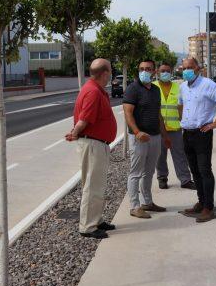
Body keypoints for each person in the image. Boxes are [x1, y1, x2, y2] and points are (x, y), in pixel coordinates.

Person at [65, 58, 118, 239]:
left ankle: (96, 219)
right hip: (93, 144)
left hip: (97, 143)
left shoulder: (95, 90)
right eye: (110, 71)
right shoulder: (93, 92)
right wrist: (75, 132)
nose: (111, 74)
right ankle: (87, 226)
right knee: (92, 185)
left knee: (97, 184)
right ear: (104, 73)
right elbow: (84, 118)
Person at [178, 57, 216, 223]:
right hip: (187, 133)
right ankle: (201, 201)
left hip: (202, 134)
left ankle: (209, 207)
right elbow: (180, 104)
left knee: (204, 170)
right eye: (184, 67)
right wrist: (183, 121)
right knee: (194, 170)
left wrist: (215, 123)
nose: (187, 70)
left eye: (190, 67)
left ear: (198, 68)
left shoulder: (208, 84)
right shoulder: (183, 87)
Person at [123, 60, 171, 219]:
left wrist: (165, 136)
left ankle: (147, 202)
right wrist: (137, 132)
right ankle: (134, 206)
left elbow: (158, 115)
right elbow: (128, 113)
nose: (144, 71)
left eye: (148, 69)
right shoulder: (133, 89)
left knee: (149, 172)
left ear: (154, 72)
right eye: (142, 69)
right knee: (135, 173)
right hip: (139, 138)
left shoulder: (156, 90)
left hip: (155, 136)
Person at [153, 63, 196, 190]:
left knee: (180, 155)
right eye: (162, 71)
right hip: (158, 129)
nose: (165, 73)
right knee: (160, 156)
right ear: (157, 72)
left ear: (171, 72)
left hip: (175, 128)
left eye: (167, 70)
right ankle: (162, 178)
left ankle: (185, 180)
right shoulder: (153, 88)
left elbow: (184, 107)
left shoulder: (179, 88)